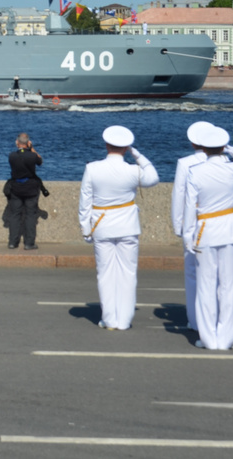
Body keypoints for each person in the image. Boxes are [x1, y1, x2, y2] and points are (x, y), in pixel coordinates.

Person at [182, 125, 233, 350]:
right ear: (223, 148)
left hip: (205, 230)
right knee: (229, 286)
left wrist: (188, 236)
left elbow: (189, 207)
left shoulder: (195, 172)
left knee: (205, 286)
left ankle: (209, 338)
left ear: (204, 149)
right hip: (229, 229)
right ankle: (227, 338)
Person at [78, 126, 159, 331]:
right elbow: (153, 177)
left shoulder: (92, 168)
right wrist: (137, 155)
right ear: (125, 148)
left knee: (105, 274)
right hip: (127, 227)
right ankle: (124, 320)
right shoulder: (133, 170)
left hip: (102, 226)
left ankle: (109, 319)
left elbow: (85, 201)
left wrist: (85, 228)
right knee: (128, 274)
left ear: (107, 145)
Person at [172, 122, 211, 332]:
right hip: (219, 221)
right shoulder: (228, 162)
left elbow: (179, 195)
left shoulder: (185, 163)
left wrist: (178, 225)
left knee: (192, 273)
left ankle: (195, 319)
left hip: (193, 221)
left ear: (193, 143)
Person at [6, 133, 43, 250]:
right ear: (28, 143)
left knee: (15, 215)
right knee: (30, 215)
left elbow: (19, 155)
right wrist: (32, 148)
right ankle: (29, 243)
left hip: (16, 188)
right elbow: (40, 161)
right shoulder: (32, 156)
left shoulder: (12, 156)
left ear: (17, 143)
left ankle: (13, 242)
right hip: (30, 188)